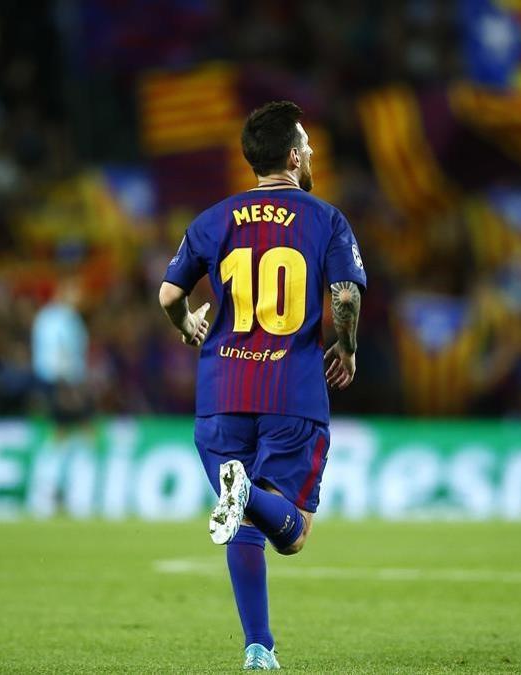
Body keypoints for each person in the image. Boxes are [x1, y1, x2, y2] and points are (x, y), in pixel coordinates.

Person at [158, 101, 365, 670]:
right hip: (289, 391)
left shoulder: (213, 219)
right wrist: (344, 346)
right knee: (292, 533)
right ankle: (245, 493)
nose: (313, 152)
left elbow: (170, 295)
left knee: (243, 521)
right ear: (295, 157)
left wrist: (189, 326)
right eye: (309, 143)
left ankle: (259, 649)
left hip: (221, 393)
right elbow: (345, 295)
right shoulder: (326, 219)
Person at [30, 277, 91, 517]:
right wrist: (69, 390)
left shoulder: (46, 317)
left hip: (54, 382)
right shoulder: (63, 318)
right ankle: (54, 493)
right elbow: (61, 354)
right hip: (61, 383)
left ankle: (51, 493)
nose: (81, 299)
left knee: (65, 437)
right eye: (77, 293)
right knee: (68, 436)